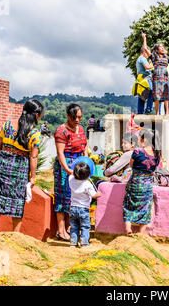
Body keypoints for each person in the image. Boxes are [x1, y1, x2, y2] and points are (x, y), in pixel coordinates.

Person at [0, 99, 44, 233]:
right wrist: (33, 177)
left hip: (2, 163)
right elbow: (33, 157)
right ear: (36, 115)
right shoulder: (34, 134)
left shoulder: (7, 125)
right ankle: (15, 235)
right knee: (17, 201)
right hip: (20, 168)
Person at [53, 103, 89, 241]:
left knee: (76, 196)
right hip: (65, 166)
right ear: (68, 116)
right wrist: (67, 170)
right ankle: (61, 231)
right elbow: (60, 152)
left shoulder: (80, 129)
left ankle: (71, 228)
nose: (77, 120)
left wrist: (86, 162)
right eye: (74, 117)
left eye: (80, 117)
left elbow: (84, 146)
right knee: (63, 196)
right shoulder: (61, 131)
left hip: (79, 164)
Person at [123, 129, 161, 236]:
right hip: (148, 184)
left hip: (135, 182)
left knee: (128, 204)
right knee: (145, 207)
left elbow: (131, 165)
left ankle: (128, 229)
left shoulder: (137, 152)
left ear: (145, 139)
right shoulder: (157, 154)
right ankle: (141, 233)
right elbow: (153, 169)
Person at [68, 161, 101, 248]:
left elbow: (71, 174)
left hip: (73, 207)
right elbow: (94, 195)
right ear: (88, 174)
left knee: (74, 226)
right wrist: (99, 194)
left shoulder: (71, 180)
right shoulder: (87, 184)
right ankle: (84, 243)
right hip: (83, 209)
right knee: (85, 226)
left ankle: (73, 243)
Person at [151, 42, 169, 115]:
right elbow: (145, 49)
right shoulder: (154, 56)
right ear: (157, 49)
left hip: (165, 78)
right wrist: (144, 38)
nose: (163, 48)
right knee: (157, 96)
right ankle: (157, 113)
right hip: (156, 78)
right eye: (161, 47)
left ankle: (167, 113)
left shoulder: (167, 57)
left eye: (163, 47)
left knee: (166, 95)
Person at [135, 33, 154, 114]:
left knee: (142, 97)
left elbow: (137, 72)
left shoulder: (138, 59)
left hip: (140, 79)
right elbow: (147, 67)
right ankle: (148, 110)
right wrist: (154, 65)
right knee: (151, 93)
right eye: (147, 52)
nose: (148, 54)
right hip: (146, 79)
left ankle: (140, 112)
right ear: (144, 52)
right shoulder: (143, 58)